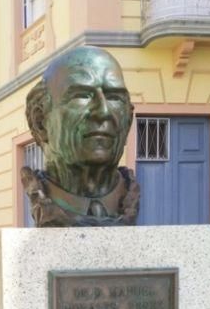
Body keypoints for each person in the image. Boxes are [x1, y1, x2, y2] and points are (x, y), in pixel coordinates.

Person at [22, 46, 140, 227]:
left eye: (115, 97)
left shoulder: (130, 198)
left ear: (129, 120)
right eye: (81, 96)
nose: (103, 111)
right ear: (41, 122)